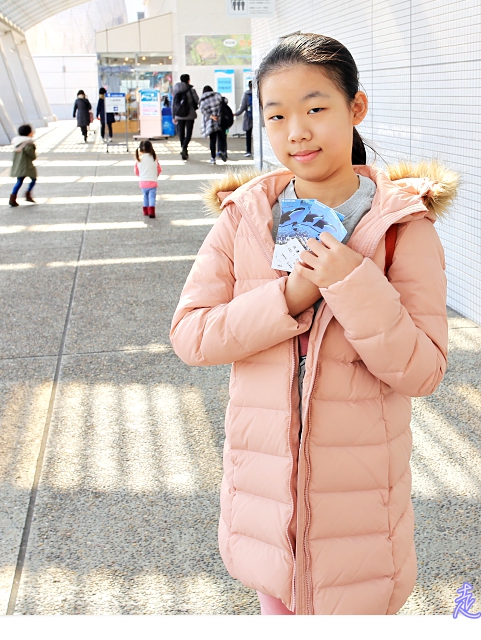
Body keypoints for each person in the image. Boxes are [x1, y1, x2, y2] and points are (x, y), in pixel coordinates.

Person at [169, 32, 458, 615]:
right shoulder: (244, 219)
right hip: (266, 512)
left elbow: (423, 370)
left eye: (316, 109)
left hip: (358, 519)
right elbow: (192, 335)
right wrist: (290, 297)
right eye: (276, 116)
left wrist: (351, 281)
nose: (296, 131)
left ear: (356, 109)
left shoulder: (403, 227)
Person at [8, 123, 38, 207]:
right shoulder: (28, 143)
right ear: (29, 133)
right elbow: (32, 155)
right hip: (27, 165)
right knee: (33, 179)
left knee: (19, 181)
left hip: (18, 165)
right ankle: (28, 194)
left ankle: (13, 198)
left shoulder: (16, 142)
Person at [171, 74, 199, 160]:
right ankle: (184, 147)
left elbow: (173, 104)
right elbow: (197, 100)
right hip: (190, 115)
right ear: (188, 80)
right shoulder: (191, 90)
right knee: (189, 133)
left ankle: (184, 149)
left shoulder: (175, 90)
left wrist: (173, 116)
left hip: (179, 115)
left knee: (181, 133)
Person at [198, 85, 227, 164]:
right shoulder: (217, 95)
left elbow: (202, 111)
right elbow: (225, 101)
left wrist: (211, 116)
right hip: (220, 120)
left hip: (211, 122)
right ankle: (221, 151)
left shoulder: (203, 100)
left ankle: (213, 158)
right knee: (221, 137)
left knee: (212, 140)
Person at [134, 139, 162, 219]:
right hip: (153, 182)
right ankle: (151, 211)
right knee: (152, 197)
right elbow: (159, 169)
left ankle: (145, 211)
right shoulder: (154, 158)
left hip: (143, 182)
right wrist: (154, 175)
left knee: (145, 196)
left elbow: (136, 171)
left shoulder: (139, 159)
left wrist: (141, 176)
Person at [237, 80, 254, 157]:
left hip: (249, 117)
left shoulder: (246, 94)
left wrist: (236, 114)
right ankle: (259, 151)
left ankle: (248, 151)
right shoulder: (260, 93)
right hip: (259, 118)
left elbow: (243, 107)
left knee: (248, 134)